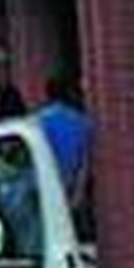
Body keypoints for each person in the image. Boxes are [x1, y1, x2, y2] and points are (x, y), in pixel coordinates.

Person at [35, 74, 94, 206]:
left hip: (45, 189)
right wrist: (78, 196)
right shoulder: (82, 122)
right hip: (71, 187)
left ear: (47, 94)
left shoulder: (38, 122)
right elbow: (84, 164)